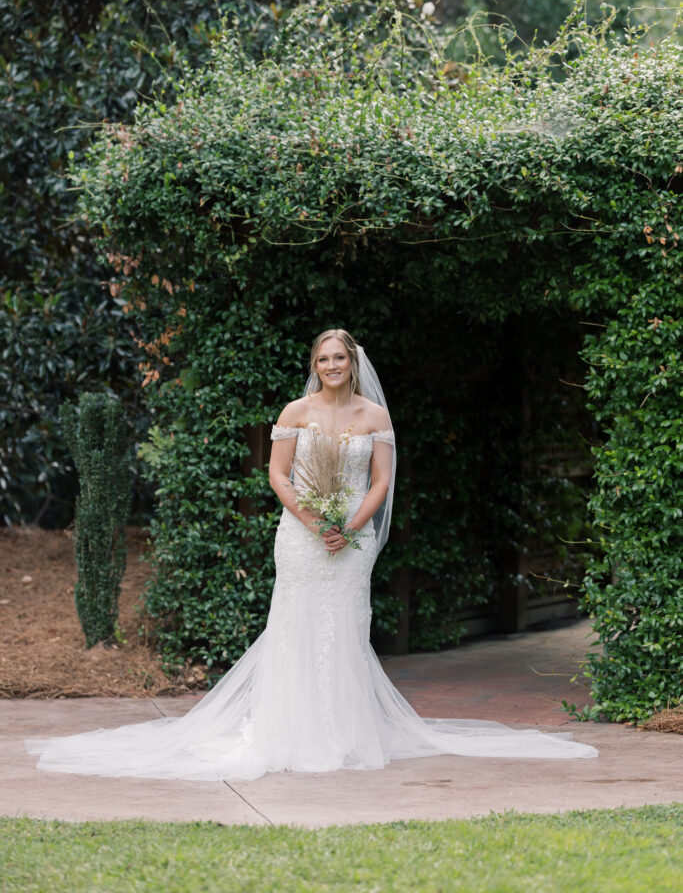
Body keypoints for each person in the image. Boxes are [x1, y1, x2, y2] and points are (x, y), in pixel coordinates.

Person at [27, 329, 597, 781]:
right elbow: (277, 474)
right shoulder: (295, 412)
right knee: (296, 626)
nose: (331, 367)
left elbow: (380, 483)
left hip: (353, 539)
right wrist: (313, 520)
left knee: (344, 629)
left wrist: (347, 527)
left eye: (339, 359)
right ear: (314, 364)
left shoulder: (374, 417)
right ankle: (290, 732)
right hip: (301, 535)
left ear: (353, 362)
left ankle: (345, 734)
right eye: (323, 359)